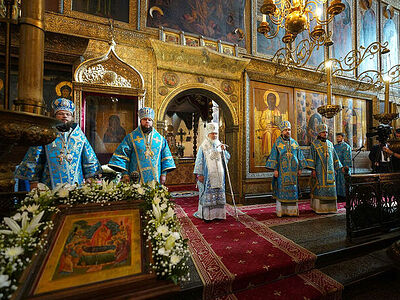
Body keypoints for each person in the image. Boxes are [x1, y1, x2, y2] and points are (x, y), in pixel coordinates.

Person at [15, 98, 102, 189]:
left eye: (68, 114)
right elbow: (34, 158)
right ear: (54, 116)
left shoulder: (79, 137)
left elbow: (89, 158)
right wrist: (34, 181)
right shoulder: (47, 134)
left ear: (72, 117)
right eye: (60, 114)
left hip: (76, 185)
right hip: (48, 185)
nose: (64, 116)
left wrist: (91, 177)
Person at [108, 107, 176, 184]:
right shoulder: (131, 138)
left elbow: (166, 158)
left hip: (155, 178)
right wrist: (125, 174)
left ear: (152, 122)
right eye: (144, 119)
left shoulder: (160, 140)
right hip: (135, 177)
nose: (147, 121)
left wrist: (164, 175)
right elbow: (122, 156)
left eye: (149, 120)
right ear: (141, 121)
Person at [265, 121, 307, 217]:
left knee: (293, 190)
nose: (288, 132)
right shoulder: (277, 143)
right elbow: (274, 156)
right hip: (282, 172)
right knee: (282, 190)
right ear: (281, 131)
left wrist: (300, 168)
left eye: (289, 130)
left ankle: (292, 212)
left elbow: (299, 156)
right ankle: (281, 211)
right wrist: (275, 169)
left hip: (293, 172)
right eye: (285, 130)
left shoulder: (294, 143)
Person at [193, 122, 230, 221]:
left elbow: (226, 158)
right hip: (207, 176)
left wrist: (224, 151)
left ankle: (219, 215)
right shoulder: (203, 146)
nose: (214, 135)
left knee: (219, 194)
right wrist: (199, 174)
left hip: (219, 176)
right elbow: (199, 160)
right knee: (207, 194)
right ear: (208, 134)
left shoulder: (220, 145)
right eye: (212, 133)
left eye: (215, 133)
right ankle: (207, 216)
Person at [307, 124, 343, 213]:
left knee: (331, 189)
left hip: (330, 171)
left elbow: (334, 157)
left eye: (326, 132)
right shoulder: (314, 145)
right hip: (319, 171)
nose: (325, 134)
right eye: (323, 132)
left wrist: (335, 168)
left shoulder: (330, 144)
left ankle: (331, 208)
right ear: (319, 133)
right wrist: (313, 170)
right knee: (319, 189)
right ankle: (319, 209)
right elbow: (311, 157)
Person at [334, 133, 352, 202]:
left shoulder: (346, 146)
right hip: (337, 168)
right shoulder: (334, 146)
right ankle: (338, 196)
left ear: (343, 138)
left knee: (343, 182)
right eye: (337, 137)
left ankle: (345, 196)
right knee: (337, 182)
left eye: (339, 137)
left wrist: (345, 167)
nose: (337, 138)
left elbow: (347, 157)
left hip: (344, 168)